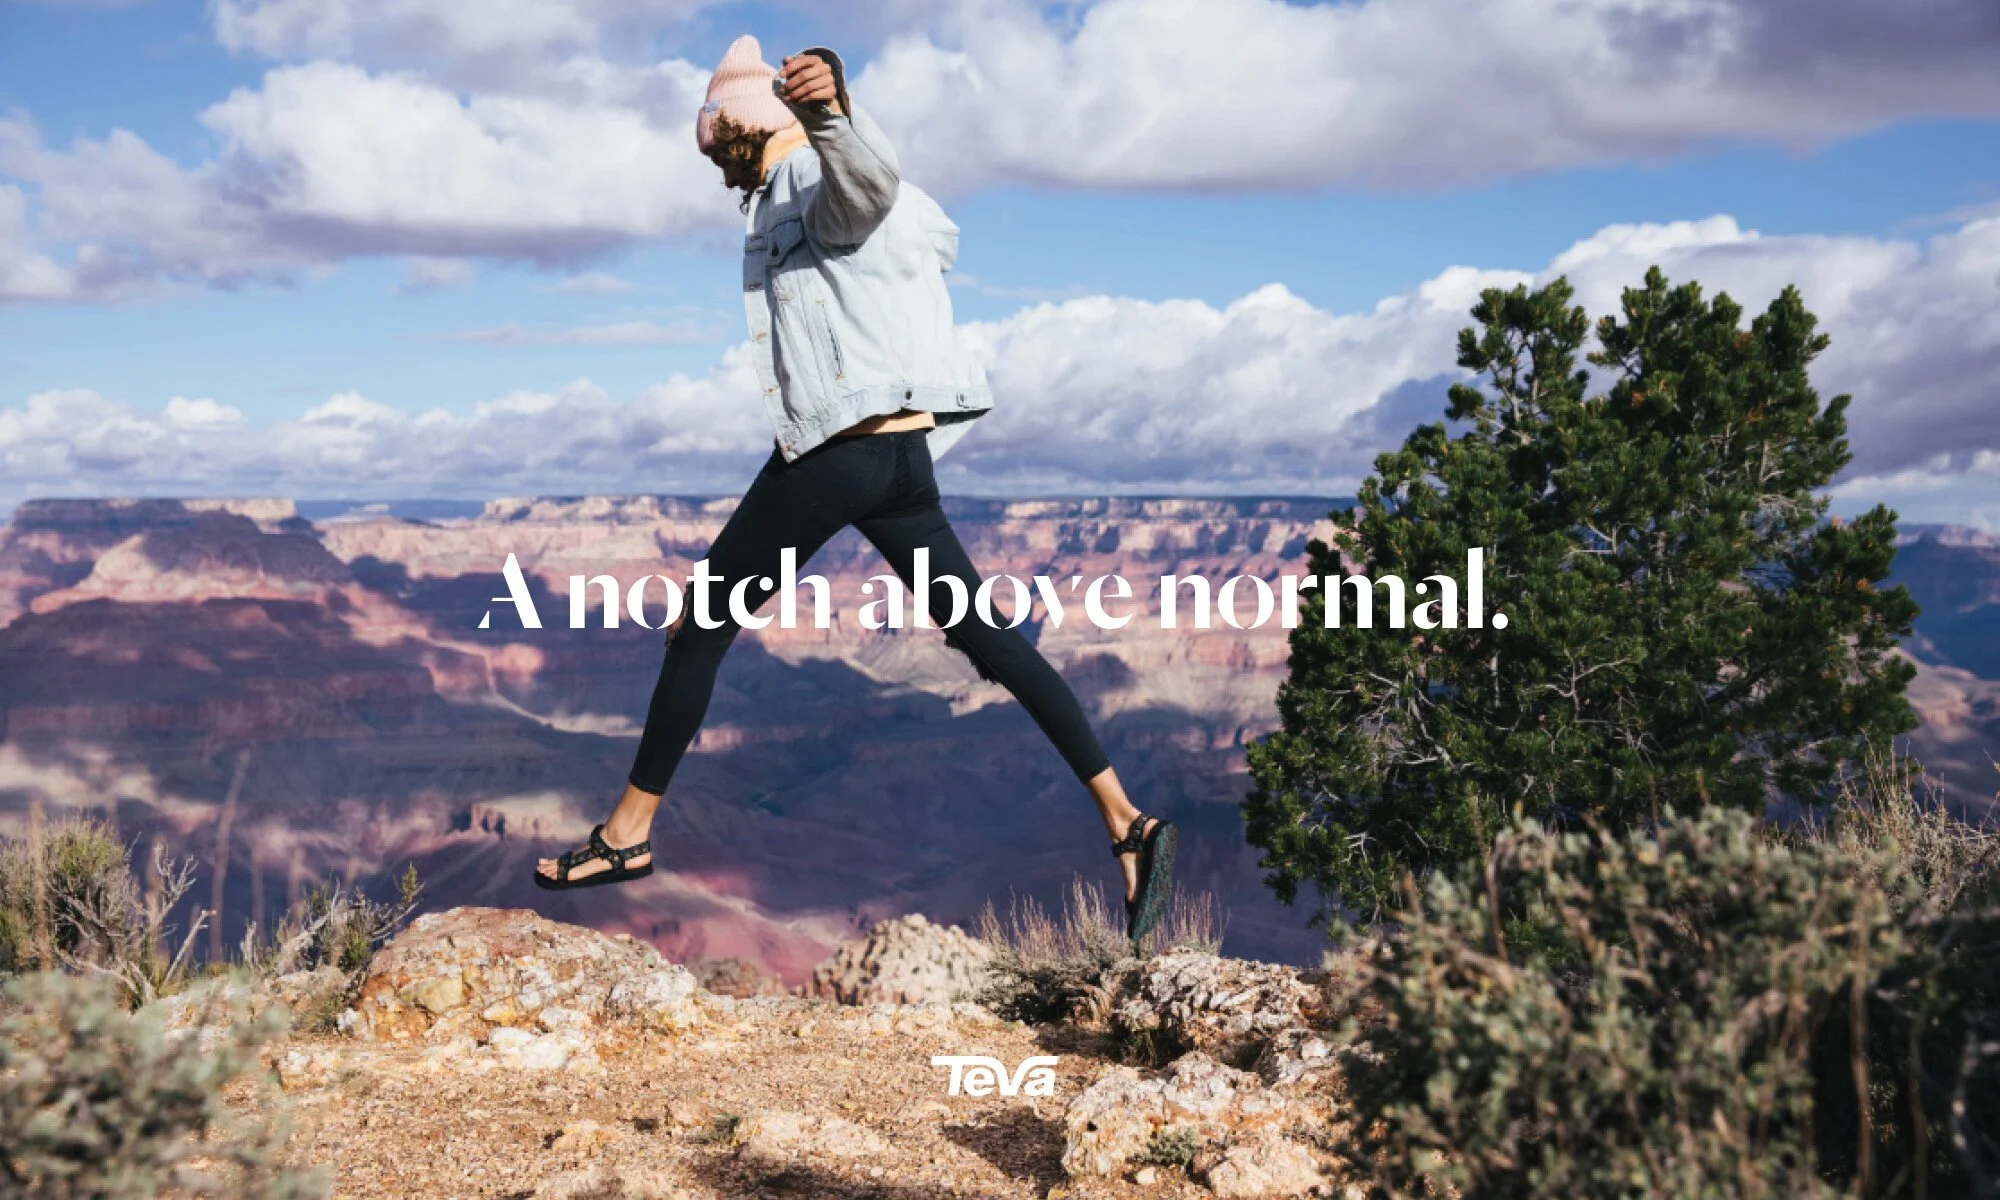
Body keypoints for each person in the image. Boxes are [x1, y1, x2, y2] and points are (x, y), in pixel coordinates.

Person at [534, 36, 1177, 940]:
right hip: (901, 462)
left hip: (839, 453)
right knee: (990, 639)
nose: (716, 167)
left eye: (718, 147)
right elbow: (901, 217)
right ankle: (1126, 822)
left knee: (698, 628)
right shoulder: (841, 196)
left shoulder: (812, 180)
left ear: (746, 127)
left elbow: (865, 185)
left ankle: (626, 836)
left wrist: (831, 111)